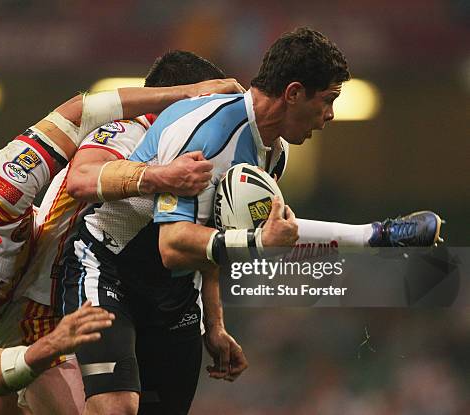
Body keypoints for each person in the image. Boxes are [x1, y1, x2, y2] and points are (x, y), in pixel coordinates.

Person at [59, 27, 443, 415]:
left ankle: (380, 234)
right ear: (293, 93)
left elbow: (219, 231)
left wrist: (215, 322)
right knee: (116, 408)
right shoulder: (207, 131)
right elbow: (173, 245)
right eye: (328, 100)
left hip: (173, 294)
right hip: (109, 270)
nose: (329, 115)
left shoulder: (274, 153)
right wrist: (258, 242)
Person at [0, 79, 244, 414]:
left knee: (86, 177)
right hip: (5, 332)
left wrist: (187, 93)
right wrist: (49, 346)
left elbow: (78, 112)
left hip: (50, 256)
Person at [17, 50, 248, 413]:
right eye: (215, 107)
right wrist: (161, 176)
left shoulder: (206, 148)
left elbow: (203, 236)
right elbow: (82, 178)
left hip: (160, 297)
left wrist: (214, 324)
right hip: (61, 291)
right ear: (189, 99)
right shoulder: (127, 131)